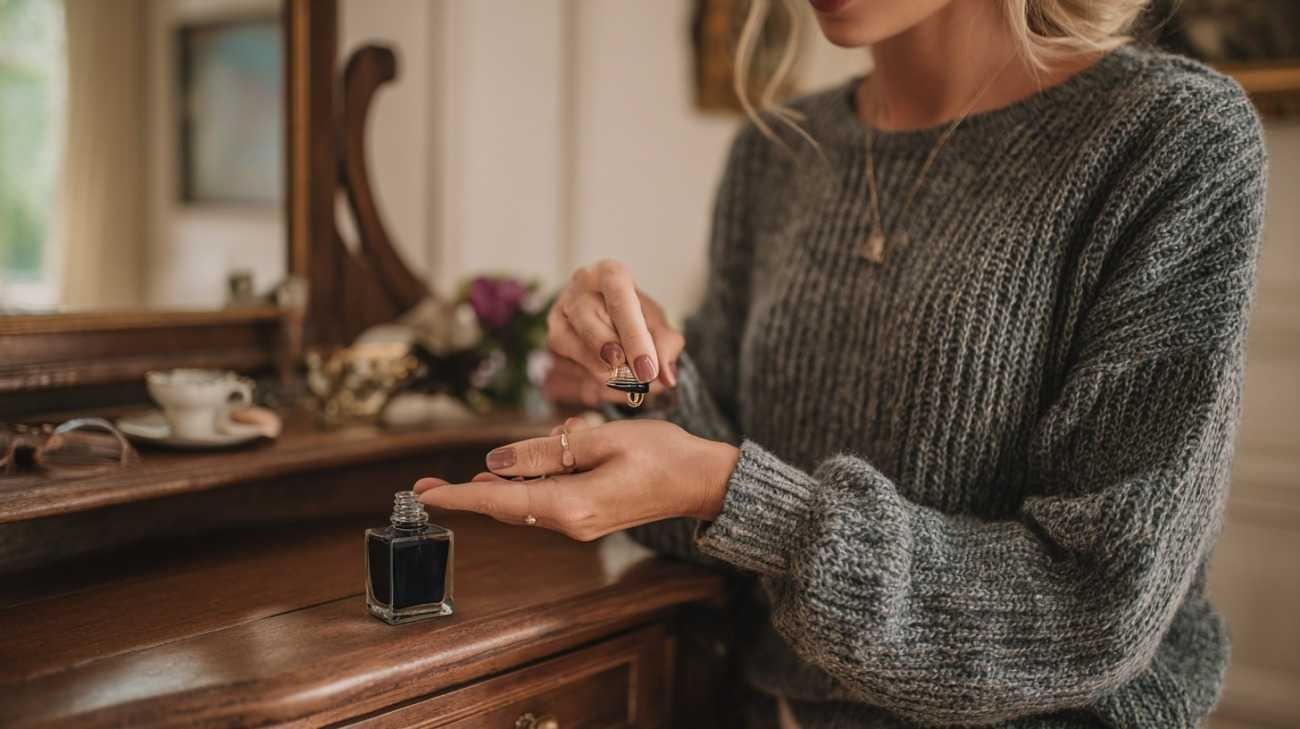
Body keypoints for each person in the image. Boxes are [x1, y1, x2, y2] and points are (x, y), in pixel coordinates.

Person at [415, 0, 1268, 725]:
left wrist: (728, 488)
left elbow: (1095, 604)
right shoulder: (778, 155)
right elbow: (709, 522)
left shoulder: (1170, 138)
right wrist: (639, 383)